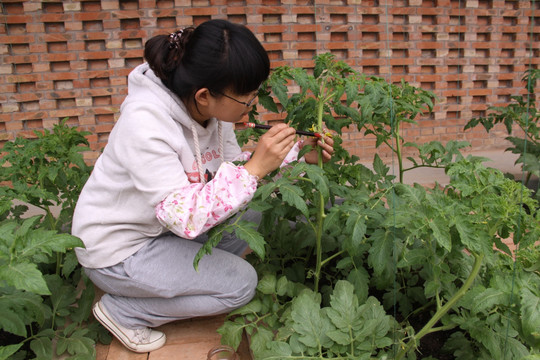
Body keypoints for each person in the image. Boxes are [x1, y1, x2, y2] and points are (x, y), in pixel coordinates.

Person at [72, 19, 334, 353]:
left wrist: (296, 154)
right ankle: (123, 310)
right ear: (205, 95)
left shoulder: (209, 113)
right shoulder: (145, 124)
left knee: (254, 212)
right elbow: (186, 216)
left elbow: (229, 170)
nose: (253, 103)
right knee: (240, 285)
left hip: (165, 231)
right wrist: (255, 169)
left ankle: (177, 279)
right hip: (119, 251)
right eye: (248, 96)